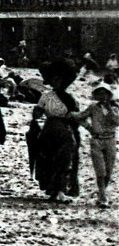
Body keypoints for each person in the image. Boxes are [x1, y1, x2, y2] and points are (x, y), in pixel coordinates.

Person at [33, 60, 82, 203]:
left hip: (66, 130)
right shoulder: (46, 96)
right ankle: (52, 188)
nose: (56, 82)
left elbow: (77, 114)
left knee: (65, 159)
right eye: (54, 79)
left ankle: (61, 189)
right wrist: (36, 112)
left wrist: (73, 116)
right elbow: (38, 114)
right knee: (48, 159)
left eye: (59, 79)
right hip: (49, 130)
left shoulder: (71, 98)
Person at [75, 85, 118, 207]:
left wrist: (110, 109)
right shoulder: (93, 107)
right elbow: (80, 117)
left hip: (110, 140)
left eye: (105, 94)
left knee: (109, 171)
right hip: (96, 140)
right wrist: (88, 127)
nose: (103, 96)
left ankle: (101, 193)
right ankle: (103, 196)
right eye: (100, 94)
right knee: (100, 170)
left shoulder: (115, 108)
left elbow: (117, 121)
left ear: (109, 95)